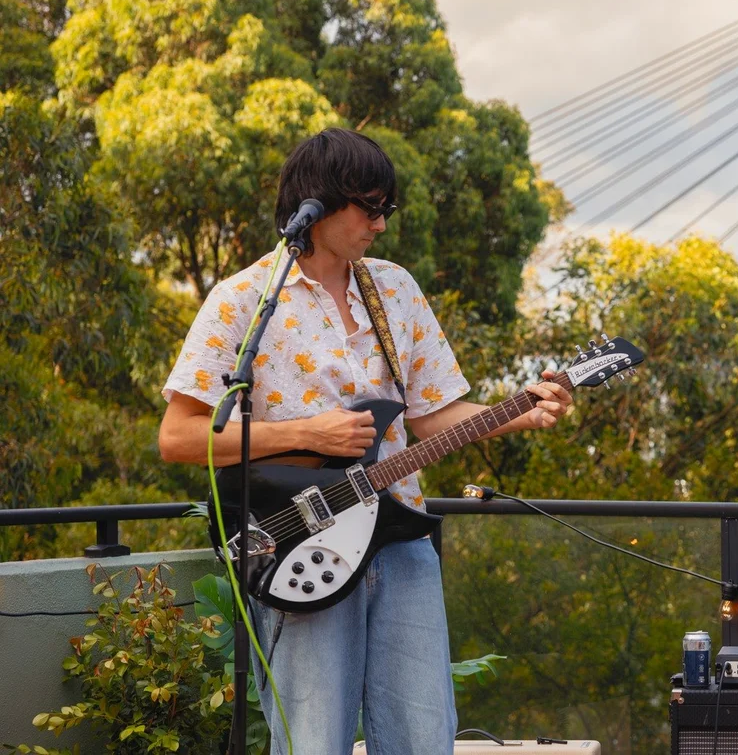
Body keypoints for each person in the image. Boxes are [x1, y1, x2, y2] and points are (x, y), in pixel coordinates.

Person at [158, 127, 573, 754]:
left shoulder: (394, 289)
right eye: (370, 207)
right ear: (318, 205)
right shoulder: (244, 300)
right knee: (314, 741)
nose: (380, 224)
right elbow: (180, 436)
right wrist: (305, 432)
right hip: (303, 545)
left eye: (388, 209)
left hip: (401, 539)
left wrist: (523, 411)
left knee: (423, 737)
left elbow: (434, 416)